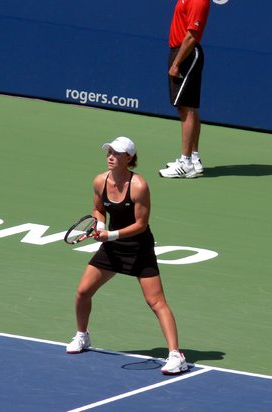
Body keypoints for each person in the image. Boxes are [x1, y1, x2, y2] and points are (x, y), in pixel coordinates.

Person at [66, 136, 188, 375]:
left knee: (156, 302)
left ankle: (176, 355)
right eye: (109, 152)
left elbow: (142, 224)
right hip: (112, 247)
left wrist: (110, 235)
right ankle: (82, 336)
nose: (110, 156)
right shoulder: (100, 181)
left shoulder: (139, 185)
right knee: (83, 292)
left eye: (117, 153)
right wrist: (101, 226)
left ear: (129, 158)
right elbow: (98, 209)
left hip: (138, 248)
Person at [159, 0, 211, 179]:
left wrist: (176, 63)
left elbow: (191, 35)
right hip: (182, 52)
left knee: (185, 108)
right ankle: (194, 159)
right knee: (190, 108)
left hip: (186, 54)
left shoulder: (198, 1)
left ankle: (186, 163)